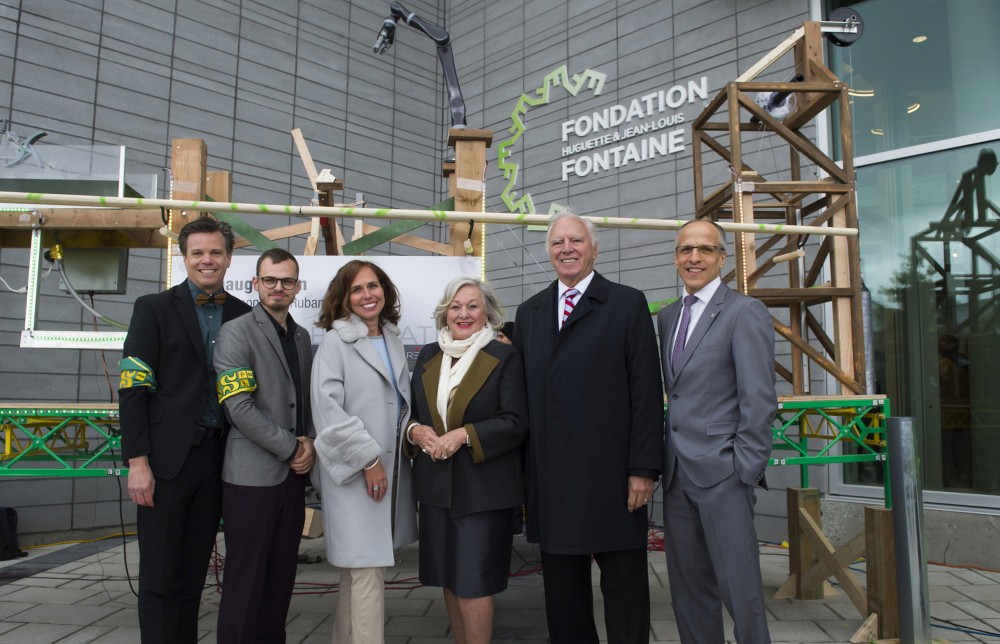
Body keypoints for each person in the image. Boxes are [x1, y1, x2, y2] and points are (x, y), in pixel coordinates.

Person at [513, 211, 663, 644]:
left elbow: (647, 394)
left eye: (576, 240)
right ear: (549, 252)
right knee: (564, 600)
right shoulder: (530, 313)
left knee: (625, 593)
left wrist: (644, 469)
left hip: (615, 480)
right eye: (558, 242)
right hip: (553, 481)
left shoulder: (626, 303)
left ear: (594, 249)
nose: (567, 249)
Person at [119, 217, 251, 643]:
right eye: (198, 253)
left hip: (220, 461)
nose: (207, 261)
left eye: (215, 252)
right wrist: (136, 461)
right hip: (165, 462)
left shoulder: (244, 315)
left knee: (193, 575)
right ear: (185, 257)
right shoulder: (152, 308)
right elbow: (134, 388)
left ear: (229, 258)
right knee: (158, 575)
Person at [657, 219, 777, 644]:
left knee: (740, 592)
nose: (694, 258)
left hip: (724, 474)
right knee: (689, 592)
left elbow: (759, 399)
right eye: (686, 250)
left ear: (722, 258)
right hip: (676, 476)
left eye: (705, 250)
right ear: (675, 258)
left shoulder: (745, 312)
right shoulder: (669, 317)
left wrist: (742, 468)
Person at [405, 277, 529, 644]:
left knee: (473, 580)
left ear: (487, 312)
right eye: (456, 306)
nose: (463, 314)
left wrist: (464, 435)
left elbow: (516, 421)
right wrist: (415, 430)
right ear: (445, 312)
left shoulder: (504, 355)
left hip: (484, 489)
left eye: (473, 306)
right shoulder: (429, 355)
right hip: (436, 487)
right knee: (447, 575)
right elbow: (412, 412)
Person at [310, 260, 418, 644]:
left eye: (373, 286)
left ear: (384, 290)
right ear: (344, 298)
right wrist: (369, 461)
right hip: (357, 474)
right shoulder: (336, 343)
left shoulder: (391, 339)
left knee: (357, 572)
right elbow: (328, 412)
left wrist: (415, 434)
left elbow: (400, 406)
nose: (367, 295)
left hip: (388, 471)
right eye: (357, 289)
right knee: (368, 570)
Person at [213, 248, 316, 642]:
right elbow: (238, 407)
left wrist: (308, 442)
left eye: (287, 281)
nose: (278, 287)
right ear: (255, 283)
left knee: (279, 578)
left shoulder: (302, 336)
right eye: (270, 279)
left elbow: (301, 401)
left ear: (297, 287)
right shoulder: (236, 332)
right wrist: (292, 448)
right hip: (250, 479)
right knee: (245, 582)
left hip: (291, 479)